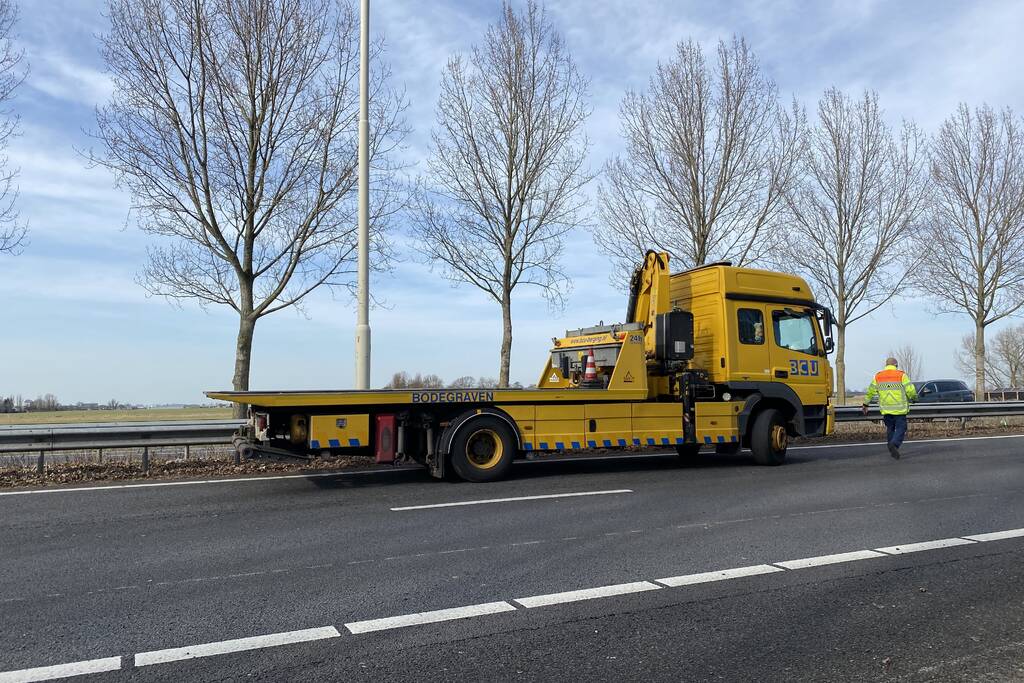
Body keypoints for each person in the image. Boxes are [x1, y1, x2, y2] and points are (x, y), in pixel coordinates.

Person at [862, 357, 918, 459]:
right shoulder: (901, 375)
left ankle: (890, 445)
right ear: (896, 365)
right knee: (901, 428)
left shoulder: (878, 376)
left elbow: (870, 391)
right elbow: (910, 390)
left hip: (886, 409)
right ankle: (894, 444)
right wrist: (914, 398)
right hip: (899, 409)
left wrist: (865, 404)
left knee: (890, 428)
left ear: (886, 365)